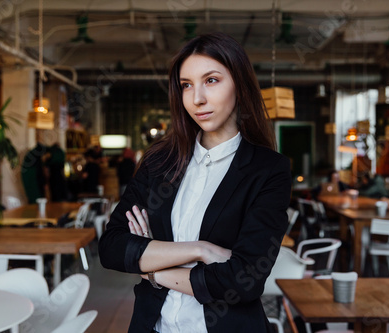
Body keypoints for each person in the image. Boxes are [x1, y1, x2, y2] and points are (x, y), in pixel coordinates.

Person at [99, 32, 292, 333]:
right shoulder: (159, 162)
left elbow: (244, 281)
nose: (197, 98)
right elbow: (112, 247)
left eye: (211, 80)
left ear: (239, 85)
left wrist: (152, 267)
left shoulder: (268, 170)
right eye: (186, 85)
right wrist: (200, 250)